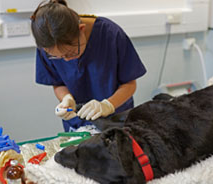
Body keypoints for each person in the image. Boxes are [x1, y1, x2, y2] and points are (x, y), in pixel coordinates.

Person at [30, 0, 146, 132]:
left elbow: (130, 84)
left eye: (71, 53)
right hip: (77, 124)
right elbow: (58, 83)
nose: (67, 60)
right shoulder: (47, 45)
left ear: (81, 30)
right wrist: (66, 99)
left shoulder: (111, 34)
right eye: (58, 57)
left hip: (116, 122)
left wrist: (108, 105)